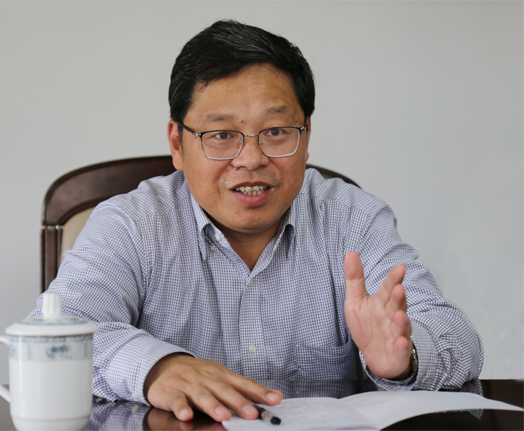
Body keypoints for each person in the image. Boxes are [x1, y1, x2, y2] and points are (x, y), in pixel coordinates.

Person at [30, 20, 483, 423]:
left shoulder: (353, 219)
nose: (250, 159)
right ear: (177, 144)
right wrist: (157, 368)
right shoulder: (132, 224)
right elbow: (54, 334)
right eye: (222, 135)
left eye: (276, 132)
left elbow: (457, 338)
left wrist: (404, 359)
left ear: (306, 137)